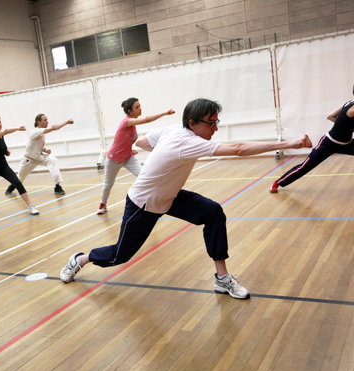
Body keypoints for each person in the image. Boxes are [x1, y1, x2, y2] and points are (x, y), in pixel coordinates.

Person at [60, 98, 313, 299]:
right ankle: (80, 259)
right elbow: (238, 150)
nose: (215, 128)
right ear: (193, 123)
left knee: (212, 212)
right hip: (143, 204)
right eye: (211, 123)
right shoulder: (188, 142)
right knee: (119, 256)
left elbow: (143, 143)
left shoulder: (173, 131)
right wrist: (288, 143)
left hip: (169, 197)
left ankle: (222, 278)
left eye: (216, 121)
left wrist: (162, 158)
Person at [97, 98, 175, 215]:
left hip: (127, 157)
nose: (140, 109)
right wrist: (164, 113)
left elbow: (124, 140)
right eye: (137, 107)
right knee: (108, 184)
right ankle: (102, 204)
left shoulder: (133, 124)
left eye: (140, 106)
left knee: (144, 175)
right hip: (113, 159)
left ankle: (149, 201)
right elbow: (147, 120)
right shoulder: (126, 122)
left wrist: (129, 150)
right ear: (130, 111)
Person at [270, 85, 354, 193]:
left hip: (347, 143)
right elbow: (331, 117)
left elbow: (330, 116)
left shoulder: (349, 102)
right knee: (304, 167)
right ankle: (277, 182)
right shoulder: (352, 110)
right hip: (328, 144)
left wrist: (345, 126)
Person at [5, 114, 73, 197]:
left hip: (39, 157)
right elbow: (53, 128)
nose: (47, 121)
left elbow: (36, 145)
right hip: (29, 160)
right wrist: (66, 122)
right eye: (45, 120)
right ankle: (12, 186)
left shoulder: (41, 132)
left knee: (53, 160)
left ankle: (58, 186)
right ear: (38, 122)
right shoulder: (35, 131)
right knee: (20, 178)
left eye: (47, 119)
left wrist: (44, 150)